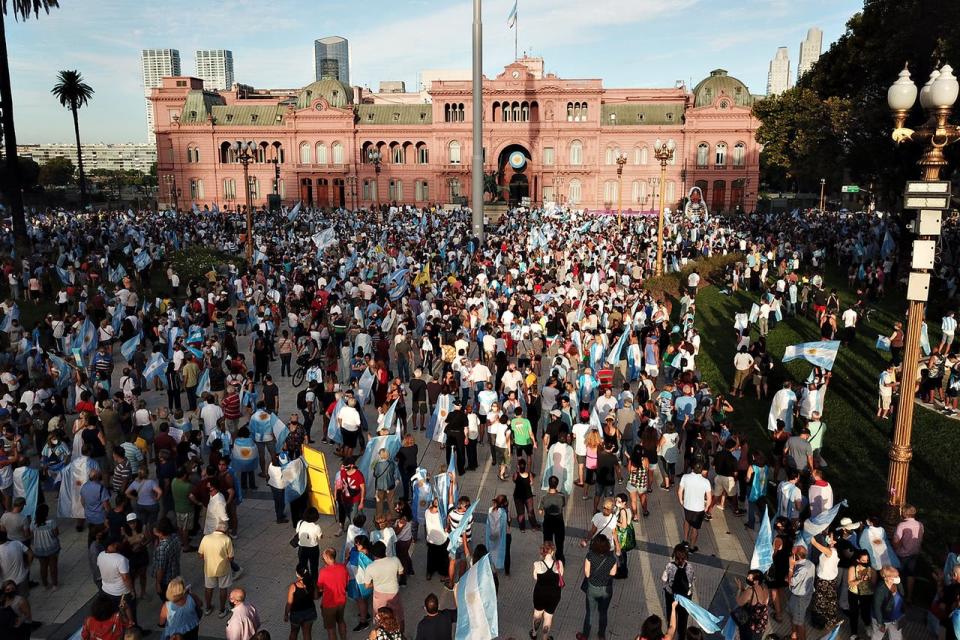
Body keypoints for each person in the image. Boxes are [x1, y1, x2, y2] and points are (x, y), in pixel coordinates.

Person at [576, 534, 617, 640]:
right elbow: (613, 573)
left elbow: (587, 573)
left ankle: (585, 635)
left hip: (592, 588)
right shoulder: (611, 559)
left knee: (589, 612)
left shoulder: (590, 556)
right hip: (606, 589)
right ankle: (601, 635)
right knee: (603, 613)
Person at [365, 541, 405, 633]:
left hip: (379, 595)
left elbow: (367, 585)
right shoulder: (395, 560)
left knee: (379, 617)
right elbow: (401, 572)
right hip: (393, 592)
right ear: (385, 551)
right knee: (398, 616)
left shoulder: (370, 567)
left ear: (373, 554)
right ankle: (401, 635)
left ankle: (381, 635)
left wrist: (376, 583)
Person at [198, 520, 234, 618]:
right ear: (225, 528)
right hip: (224, 569)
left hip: (209, 568)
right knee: (223, 589)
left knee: (208, 588)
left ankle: (208, 608)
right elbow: (231, 558)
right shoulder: (227, 540)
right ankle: (222, 610)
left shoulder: (206, 538)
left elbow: (200, 555)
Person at [530, 541, 563, 640]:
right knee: (548, 617)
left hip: (540, 593)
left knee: (537, 614)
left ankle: (534, 633)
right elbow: (561, 576)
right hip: (554, 594)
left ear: (542, 552)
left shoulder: (537, 564)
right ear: (552, 551)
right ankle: (545, 638)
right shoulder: (559, 563)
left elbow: (535, 577)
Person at [810, 531, 842, 630]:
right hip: (830, 579)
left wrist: (810, 534)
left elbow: (815, 544)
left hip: (825, 581)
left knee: (821, 601)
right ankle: (830, 620)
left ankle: (821, 622)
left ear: (835, 541)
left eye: (830, 537)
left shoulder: (830, 551)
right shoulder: (832, 550)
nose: (828, 537)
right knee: (830, 601)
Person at [316, 547, 349, 640]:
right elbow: (346, 583)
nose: (322, 558)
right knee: (341, 621)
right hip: (341, 601)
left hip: (329, 604)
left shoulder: (323, 572)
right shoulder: (343, 568)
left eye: (323, 557)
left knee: (331, 629)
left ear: (327, 557)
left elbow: (320, 588)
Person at [892, 504, 923, 602]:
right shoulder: (920, 524)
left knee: (897, 574)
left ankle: (896, 596)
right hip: (915, 553)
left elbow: (896, 543)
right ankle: (909, 597)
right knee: (910, 575)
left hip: (902, 554)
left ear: (905, 513)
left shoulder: (902, 525)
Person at [677, 463, 711, 552]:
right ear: (702, 470)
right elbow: (709, 498)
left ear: (692, 468)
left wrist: (681, 501)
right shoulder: (705, 482)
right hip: (699, 509)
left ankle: (685, 541)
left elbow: (680, 491)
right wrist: (706, 508)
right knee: (695, 528)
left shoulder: (685, 477)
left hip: (687, 506)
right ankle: (692, 547)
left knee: (687, 521)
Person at [661, 544, 694, 634]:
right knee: (683, 617)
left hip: (671, 594)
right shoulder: (690, 567)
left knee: (671, 613)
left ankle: (670, 632)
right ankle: (682, 634)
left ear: (674, 555)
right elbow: (690, 582)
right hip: (685, 596)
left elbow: (664, 579)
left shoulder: (669, 566)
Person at [846, 549, 877, 640]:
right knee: (854, 613)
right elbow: (850, 583)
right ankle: (854, 633)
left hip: (867, 594)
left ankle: (867, 626)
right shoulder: (853, 568)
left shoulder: (872, 569)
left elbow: (873, 584)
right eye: (863, 561)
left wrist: (868, 579)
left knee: (866, 612)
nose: (866, 562)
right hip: (854, 593)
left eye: (867, 560)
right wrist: (860, 580)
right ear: (858, 560)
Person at [30, 502, 61, 590]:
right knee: (53, 567)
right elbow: (56, 533)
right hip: (52, 547)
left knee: (43, 567)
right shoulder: (51, 522)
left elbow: (31, 535)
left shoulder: (33, 524)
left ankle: (45, 584)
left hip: (39, 549)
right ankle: (54, 584)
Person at [787, 545, 815, 640]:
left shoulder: (802, 569)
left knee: (799, 622)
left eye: (792, 554)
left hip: (800, 598)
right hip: (803, 595)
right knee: (793, 616)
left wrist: (791, 567)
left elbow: (791, 582)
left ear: (796, 556)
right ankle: (794, 635)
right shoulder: (810, 564)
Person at [870, 567, 906, 640]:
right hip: (883, 618)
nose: (897, 578)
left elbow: (902, 595)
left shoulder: (897, 584)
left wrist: (899, 584)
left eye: (897, 576)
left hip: (896, 617)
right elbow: (877, 608)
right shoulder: (880, 590)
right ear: (886, 578)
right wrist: (880, 624)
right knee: (877, 636)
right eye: (895, 576)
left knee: (897, 637)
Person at [733, 569, 770, 640]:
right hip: (762, 621)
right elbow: (751, 598)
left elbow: (739, 602)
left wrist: (739, 589)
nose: (747, 578)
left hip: (752, 624)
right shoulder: (765, 588)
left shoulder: (750, 591)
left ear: (756, 581)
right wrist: (744, 589)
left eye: (749, 577)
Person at [538, 475, 567, 563]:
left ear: (549, 484)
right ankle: (560, 560)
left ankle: (548, 559)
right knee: (559, 543)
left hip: (548, 522)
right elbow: (563, 505)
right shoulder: (561, 495)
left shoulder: (544, 497)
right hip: (559, 521)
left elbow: (540, 511)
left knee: (547, 543)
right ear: (557, 484)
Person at [285, 564, 318, 640]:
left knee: (294, 632)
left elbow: (289, 603)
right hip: (310, 611)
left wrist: (286, 614)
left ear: (297, 573)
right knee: (307, 634)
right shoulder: (311, 583)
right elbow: (316, 597)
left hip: (296, 613)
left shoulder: (293, 587)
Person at [296, 508, 324, 579]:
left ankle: (305, 579)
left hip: (302, 548)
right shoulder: (316, 527)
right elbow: (320, 537)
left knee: (303, 565)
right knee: (314, 566)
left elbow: (297, 532)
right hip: (313, 549)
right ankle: (314, 582)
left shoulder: (300, 523)